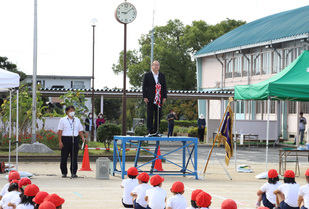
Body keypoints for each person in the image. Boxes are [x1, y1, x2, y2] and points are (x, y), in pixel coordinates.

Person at [57, 105, 86, 178]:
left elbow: (80, 130)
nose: (72, 112)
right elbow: (60, 131)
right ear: (66, 112)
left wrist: (82, 137)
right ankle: (64, 172)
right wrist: (60, 141)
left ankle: (73, 172)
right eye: (70, 110)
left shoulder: (77, 119)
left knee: (74, 156)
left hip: (74, 138)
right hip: (65, 138)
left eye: (73, 110)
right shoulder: (62, 120)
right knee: (64, 156)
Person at [142, 60, 167, 134]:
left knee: (158, 114)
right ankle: (150, 130)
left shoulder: (162, 75)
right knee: (150, 114)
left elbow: (164, 86)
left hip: (159, 98)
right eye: (155, 65)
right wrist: (145, 97)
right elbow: (144, 87)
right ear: (152, 66)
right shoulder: (147, 75)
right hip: (150, 98)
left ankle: (156, 130)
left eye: (157, 65)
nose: (156, 66)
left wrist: (164, 97)